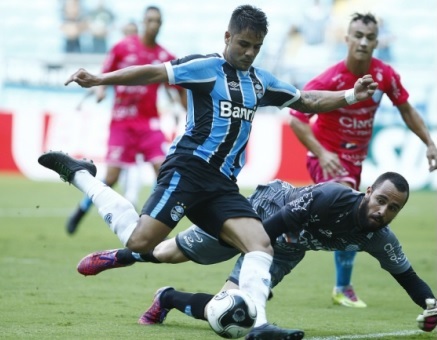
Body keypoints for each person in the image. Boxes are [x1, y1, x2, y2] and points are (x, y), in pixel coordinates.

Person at [38, 5, 377, 339]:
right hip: (188, 170)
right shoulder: (206, 68)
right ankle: (80, 174)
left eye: (256, 47)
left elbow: (306, 101)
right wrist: (101, 78)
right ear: (228, 36)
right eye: (243, 44)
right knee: (140, 241)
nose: (249, 53)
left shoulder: (260, 83)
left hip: (222, 185)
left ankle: (259, 326)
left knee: (259, 245)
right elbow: (153, 72)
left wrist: (350, 95)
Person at [76, 173, 437, 336]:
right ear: (369, 191)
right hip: (261, 215)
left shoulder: (379, 238)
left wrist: (432, 306)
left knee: (233, 314)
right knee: (169, 253)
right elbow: (271, 228)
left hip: (288, 249)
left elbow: (406, 276)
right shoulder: (331, 197)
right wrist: (254, 280)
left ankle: (167, 298)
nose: (383, 212)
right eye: (381, 201)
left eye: (393, 209)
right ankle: (120, 256)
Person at [288, 12, 437, 308]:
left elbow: (406, 109)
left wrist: (429, 142)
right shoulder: (330, 78)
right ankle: (336, 280)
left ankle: (298, 231)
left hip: (354, 161)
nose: (364, 42)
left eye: (370, 37)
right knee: (349, 208)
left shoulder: (384, 76)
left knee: (352, 218)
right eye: (358, 35)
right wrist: (322, 152)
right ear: (347, 39)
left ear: (377, 42)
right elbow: (297, 119)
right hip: (328, 158)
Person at [66, 6, 186, 235]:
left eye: (157, 21)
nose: (153, 24)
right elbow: (104, 73)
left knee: (163, 171)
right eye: (149, 20)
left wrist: (186, 109)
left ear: (161, 25)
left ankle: (148, 219)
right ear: (143, 22)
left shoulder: (165, 57)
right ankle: (81, 210)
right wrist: (100, 92)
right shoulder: (122, 48)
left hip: (149, 123)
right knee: (111, 177)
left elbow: (179, 88)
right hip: (122, 122)